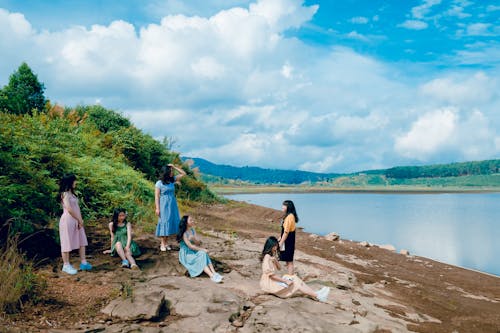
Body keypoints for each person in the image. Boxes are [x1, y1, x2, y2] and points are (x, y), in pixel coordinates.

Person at [260, 236, 329, 302]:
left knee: (292, 277)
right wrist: (285, 281)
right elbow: (271, 276)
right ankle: (318, 295)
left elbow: (279, 268)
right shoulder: (267, 257)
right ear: (270, 246)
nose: (276, 247)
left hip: (273, 281)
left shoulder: (271, 257)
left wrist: (275, 260)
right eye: (274, 246)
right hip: (269, 284)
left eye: (276, 245)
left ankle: (316, 294)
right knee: (295, 282)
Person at [58, 174, 92, 275]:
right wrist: (78, 219)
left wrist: (80, 220)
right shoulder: (64, 194)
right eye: (74, 181)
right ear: (69, 182)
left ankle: (83, 262)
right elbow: (69, 209)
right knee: (66, 241)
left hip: (76, 220)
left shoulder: (72, 194)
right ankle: (66, 265)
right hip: (68, 220)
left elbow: (77, 208)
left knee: (82, 240)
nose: (75, 183)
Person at [176, 215, 223, 283]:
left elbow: (198, 243)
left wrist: (193, 239)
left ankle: (214, 273)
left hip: (193, 251)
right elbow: (190, 246)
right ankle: (211, 276)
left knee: (203, 254)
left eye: (192, 220)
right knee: (202, 255)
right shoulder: (184, 234)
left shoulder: (192, 230)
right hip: (186, 254)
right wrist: (202, 249)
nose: (193, 221)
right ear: (186, 223)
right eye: (191, 220)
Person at [155, 163, 186, 251]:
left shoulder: (172, 180)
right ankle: (162, 244)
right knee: (164, 222)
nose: (172, 172)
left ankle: (166, 243)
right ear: (166, 172)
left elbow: (184, 174)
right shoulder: (159, 183)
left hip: (172, 204)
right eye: (171, 171)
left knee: (169, 222)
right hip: (163, 204)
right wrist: (157, 208)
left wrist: (175, 167)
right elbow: (156, 197)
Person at [278, 200, 298, 275]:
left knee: (289, 261)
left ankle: (290, 277)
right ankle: (290, 276)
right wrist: (279, 239)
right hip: (287, 240)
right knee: (288, 260)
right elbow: (283, 231)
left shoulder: (290, 217)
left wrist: (281, 242)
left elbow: (286, 232)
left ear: (288, 207)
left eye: (284, 205)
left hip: (288, 241)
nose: (282, 207)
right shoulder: (288, 216)